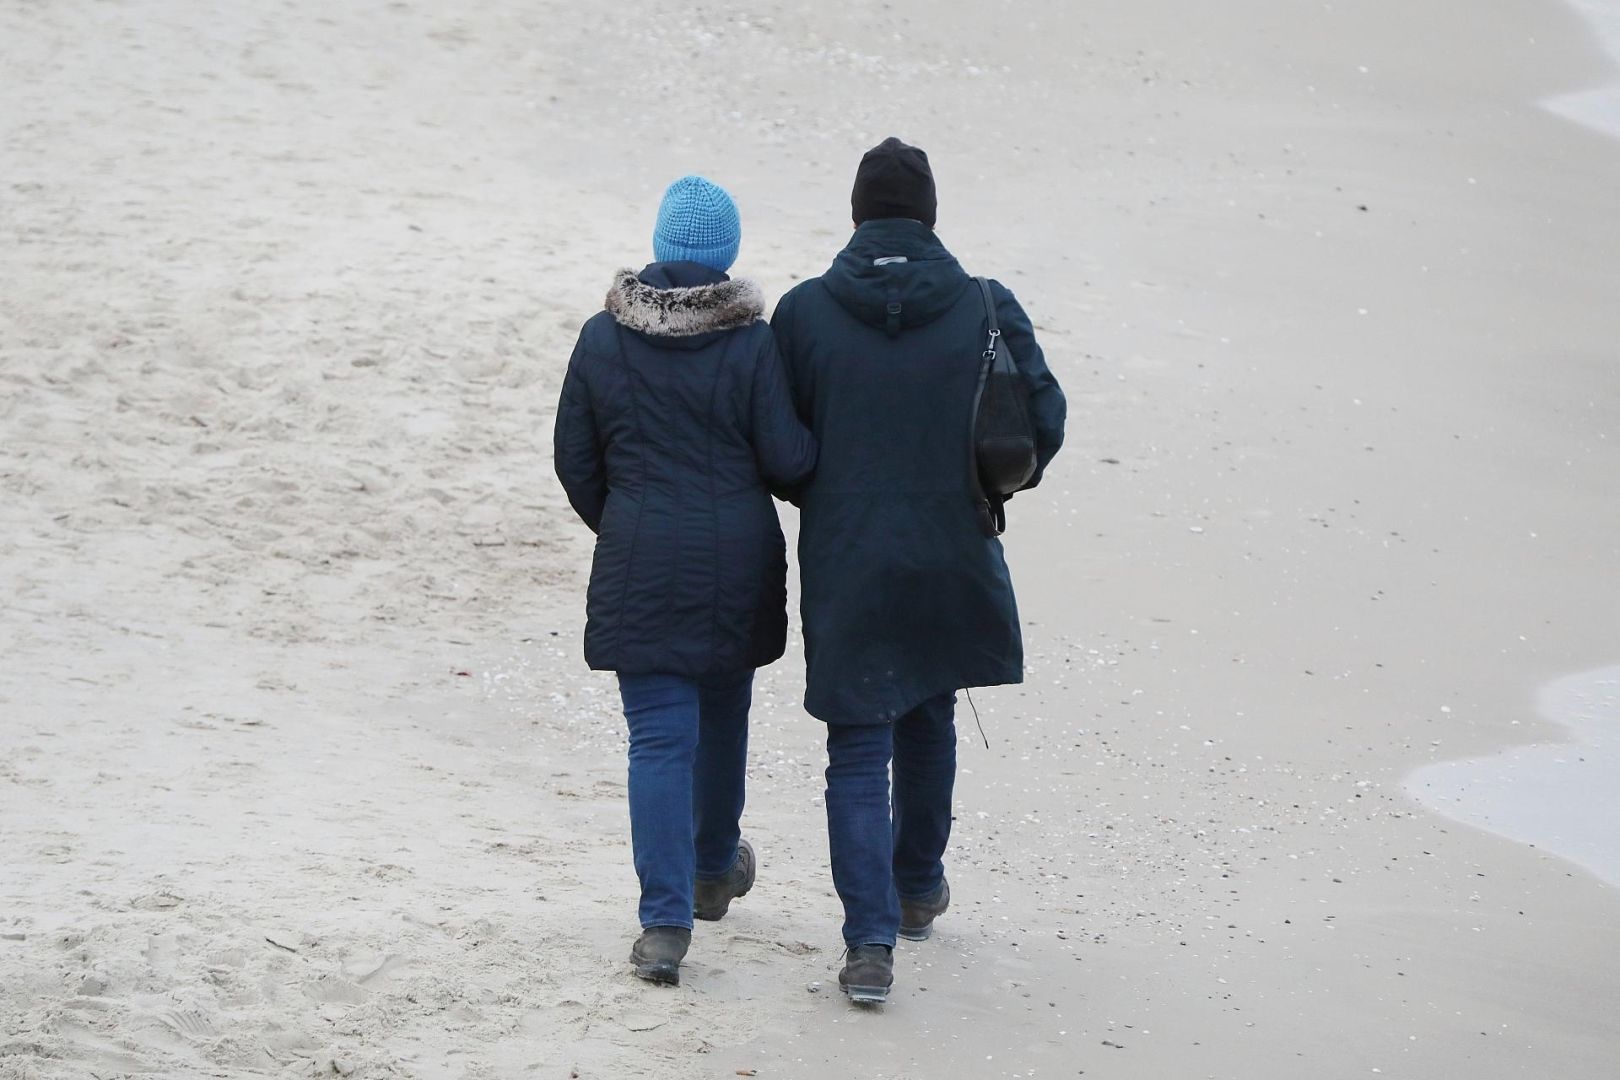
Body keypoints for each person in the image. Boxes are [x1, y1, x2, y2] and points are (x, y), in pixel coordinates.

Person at [769, 138, 1066, 1003]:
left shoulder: (805, 314)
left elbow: (779, 444)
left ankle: (868, 947)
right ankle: (916, 886)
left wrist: (822, 497)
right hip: (950, 549)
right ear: (930, 214)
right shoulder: (985, 304)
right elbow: (1039, 423)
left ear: (857, 213)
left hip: (845, 555)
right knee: (929, 712)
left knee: (856, 745)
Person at [553, 175, 816, 986]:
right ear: (726, 258)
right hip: (735, 556)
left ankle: (664, 925)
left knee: (659, 737)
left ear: (661, 247)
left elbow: (575, 460)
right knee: (723, 713)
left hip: (640, 553)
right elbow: (788, 463)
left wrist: (628, 519)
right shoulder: (754, 343)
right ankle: (711, 869)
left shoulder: (604, 336)